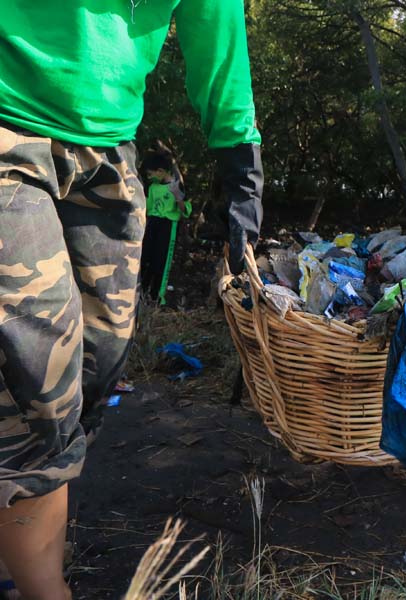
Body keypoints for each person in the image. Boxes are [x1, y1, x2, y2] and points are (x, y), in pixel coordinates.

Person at [0, 3, 263, 598]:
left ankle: (21, 528)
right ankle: (38, 584)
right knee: (37, 378)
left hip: (108, 147)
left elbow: (214, 24)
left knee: (98, 365)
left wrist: (239, 164)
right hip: (8, 122)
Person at [140, 152, 192, 304]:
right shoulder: (153, 187)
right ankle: (142, 291)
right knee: (146, 257)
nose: (149, 178)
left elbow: (185, 211)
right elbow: (148, 209)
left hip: (168, 226)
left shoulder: (176, 186)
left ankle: (158, 296)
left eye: (151, 174)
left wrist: (178, 198)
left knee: (162, 260)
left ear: (161, 171)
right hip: (153, 224)